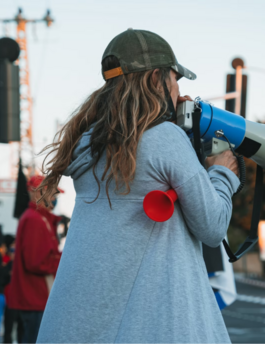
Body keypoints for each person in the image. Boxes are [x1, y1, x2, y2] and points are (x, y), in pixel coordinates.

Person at [36, 29, 239, 344]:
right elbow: (212, 226)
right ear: (157, 78)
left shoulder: (87, 141)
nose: (178, 91)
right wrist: (223, 172)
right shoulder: (164, 140)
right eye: (175, 80)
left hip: (75, 325)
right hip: (146, 326)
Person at [9, 175, 62, 344]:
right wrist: (63, 262)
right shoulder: (35, 219)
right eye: (52, 194)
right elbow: (35, 262)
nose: (54, 199)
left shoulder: (38, 218)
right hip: (36, 299)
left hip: (36, 299)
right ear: (39, 193)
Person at [2, 234, 24, 344]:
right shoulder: (7, 265)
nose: (13, 251)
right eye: (12, 249)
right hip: (11, 302)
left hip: (21, 303)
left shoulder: (22, 265)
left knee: (21, 331)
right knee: (9, 330)